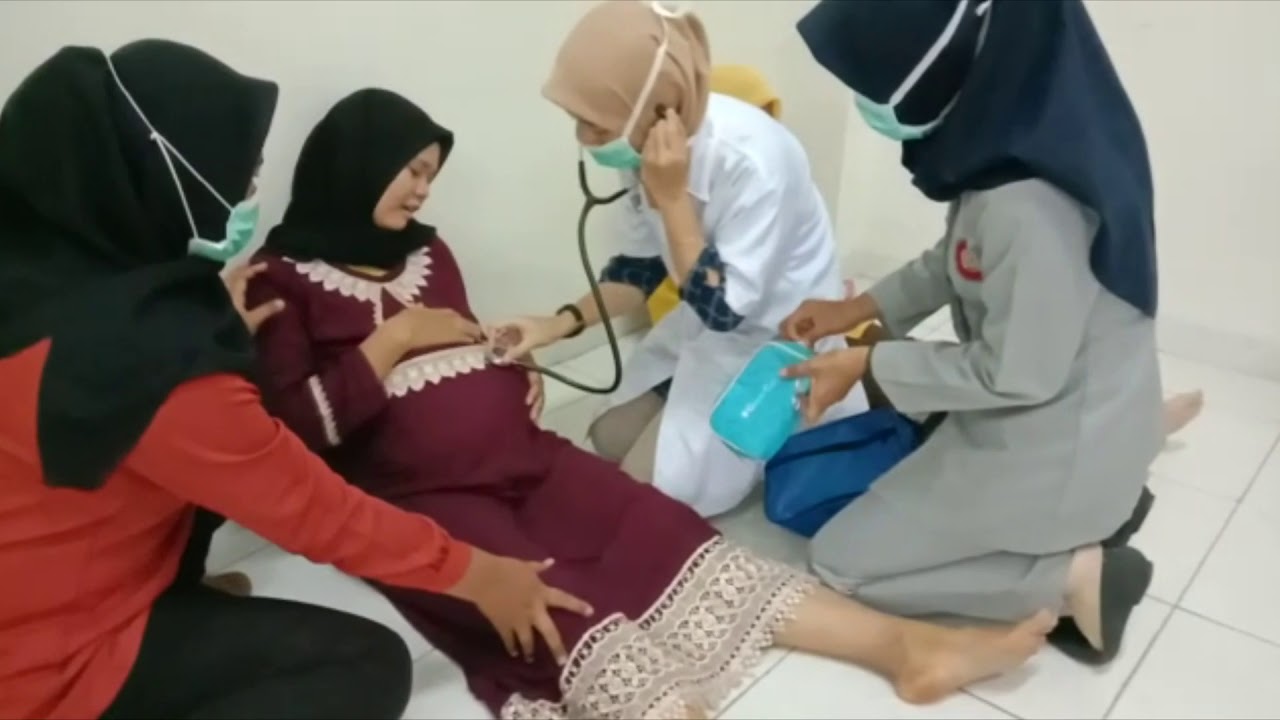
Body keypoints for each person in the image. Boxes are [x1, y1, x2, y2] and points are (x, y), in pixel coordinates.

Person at [247, 85, 1058, 719]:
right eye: (412, 171)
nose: (424, 190)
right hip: (424, 495)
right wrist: (392, 341)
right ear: (354, 166)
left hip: (533, 453)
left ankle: (905, 647)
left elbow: (469, 341)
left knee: (665, 530)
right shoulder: (281, 284)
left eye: (431, 172)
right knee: (544, 604)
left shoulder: (431, 254)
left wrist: (507, 370)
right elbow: (298, 433)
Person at [0, 41, 594, 720]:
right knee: (367, 666)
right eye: (241, 177)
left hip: (54, 565)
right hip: (44, 656)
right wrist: (477, 575)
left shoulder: (55, 277)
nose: (250, 194)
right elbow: (310, 505)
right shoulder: (168, 352)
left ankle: (173, 599)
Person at [779, 0, 1172, 665]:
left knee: (841, 563)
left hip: (1053, 444)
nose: (868, 106)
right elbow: (958, 260)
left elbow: (1016, 373)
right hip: (1071, 414)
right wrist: (859, 308)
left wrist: (868, 366)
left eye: (876, 86)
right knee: (909, 468)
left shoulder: (1030, 204)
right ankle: (1094, 509)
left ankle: (1074, 573)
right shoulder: (1027, 144)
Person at [488, 0, 869, 518]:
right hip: (702, 324)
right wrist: (556, 325)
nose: (583, 139)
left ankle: (788, 431)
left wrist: (671, 198)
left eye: (593, 126)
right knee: (608, 435)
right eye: (579, 121)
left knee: (650, 495)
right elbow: (639, 270)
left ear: (657, 110)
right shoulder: (644, 146)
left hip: (774, 337)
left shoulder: (757, 163)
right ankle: (704, 422)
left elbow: (725, 310)